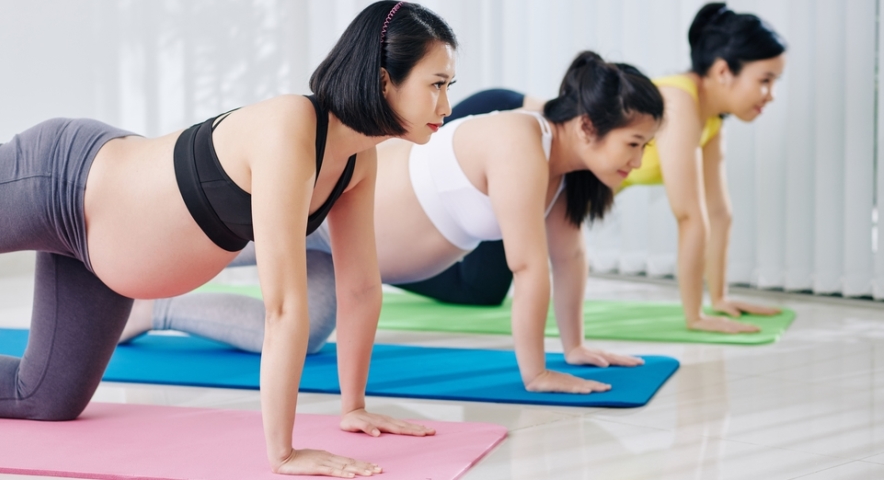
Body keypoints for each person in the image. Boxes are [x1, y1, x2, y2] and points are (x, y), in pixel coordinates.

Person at [0, 0, 457, 478]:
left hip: (97, 254)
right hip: (60, 181)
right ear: (383, 78)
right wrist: (282, 452)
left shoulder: (357, 162)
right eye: (436, 85)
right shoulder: (291, 126)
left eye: (449, 86)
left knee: (46, 398)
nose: (446, 105)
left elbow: (360, 288)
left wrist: (354, 407)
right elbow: (283, 307)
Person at [124, 51, 664, 394]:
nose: (637, 162)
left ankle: (153, 308)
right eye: (634, 144)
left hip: (352, 253)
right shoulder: (520, 141)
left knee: (305, 335)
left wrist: (574, 347)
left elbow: (567, 259)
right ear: (589, 125)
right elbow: (527, 266)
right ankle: (116, 256)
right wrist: (536, 373)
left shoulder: (563, 177)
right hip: (319, 211)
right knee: (182, 245)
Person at [393, 2, 787, 334]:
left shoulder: (710, 121)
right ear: (723, 71)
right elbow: (689, 215)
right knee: (486, 276)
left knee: (484, 288)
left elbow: (718, 212)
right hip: (505, 121)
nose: (770, 94)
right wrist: (696, 316)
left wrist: (718, 297)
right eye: (765, 80)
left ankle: (380, 265)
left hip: (536, 151)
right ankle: (379, 261)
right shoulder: (679, 105)